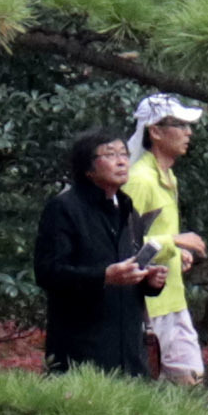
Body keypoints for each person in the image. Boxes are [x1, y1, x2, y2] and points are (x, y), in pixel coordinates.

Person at [34, 130, 163, 377]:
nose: (122, 161)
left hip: (130, 352)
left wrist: (149, 281)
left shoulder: (126, 207)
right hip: (82, 350)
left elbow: (127, 273)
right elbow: (48, 272)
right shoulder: (64, 208)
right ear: (88, 168)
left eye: (124, 154)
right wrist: (103, 276)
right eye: (110, 154)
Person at [121, 93, 208, 382]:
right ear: (156, 132)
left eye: (188, 126)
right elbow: (123, 247)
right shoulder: (140, 180)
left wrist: (176, 252)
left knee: (189, 380)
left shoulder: (168, 177)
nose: (189, 132)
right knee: (167, 384)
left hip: (171, 300)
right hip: (147, 306)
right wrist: (176, 242)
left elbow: (153, 238)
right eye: (180, 125)